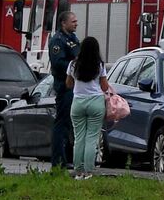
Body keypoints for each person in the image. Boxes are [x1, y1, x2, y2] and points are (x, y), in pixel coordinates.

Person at [66, 36, 114, 180]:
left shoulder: (73, 64)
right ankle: (88, 171)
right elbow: (104, 86)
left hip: (78, 102)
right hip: (95, 103)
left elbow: (68, 84)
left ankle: (78, 171)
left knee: (79, 137)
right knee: (92, 138)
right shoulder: (99, 65)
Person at [47, 9, 80, 171]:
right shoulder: (58, 41)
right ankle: (58, 160)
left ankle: (69, 157)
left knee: (71, 125)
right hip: (65, 87)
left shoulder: (73, 38)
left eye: (76, 21)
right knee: (62, 124)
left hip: (76, 87)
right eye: (73, 21)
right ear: (63, 23)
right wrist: (75, 65)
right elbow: (58, 64)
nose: (76, 23)